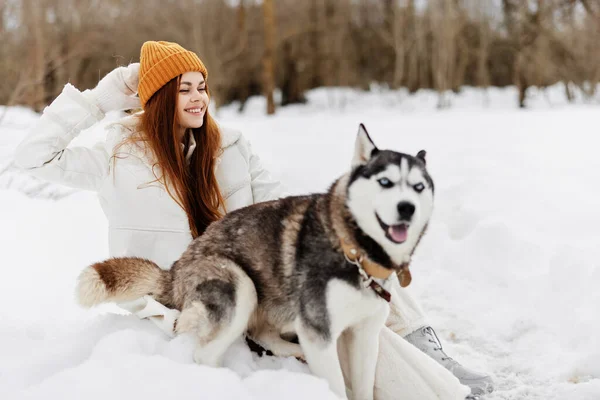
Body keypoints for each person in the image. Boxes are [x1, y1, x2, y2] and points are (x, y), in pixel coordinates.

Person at [14, 41, 491, 398]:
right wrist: (98, 100)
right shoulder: (117, 155)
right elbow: (31, 158)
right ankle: (436, 388)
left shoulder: (231, 146)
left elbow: (281, 214)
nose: (199, 98)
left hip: (259, 272)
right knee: (336, 313)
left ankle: (426, 346)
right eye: (184, 90)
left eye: (202, 87)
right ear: (157, 98)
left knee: (356, 264)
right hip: (204, 291)